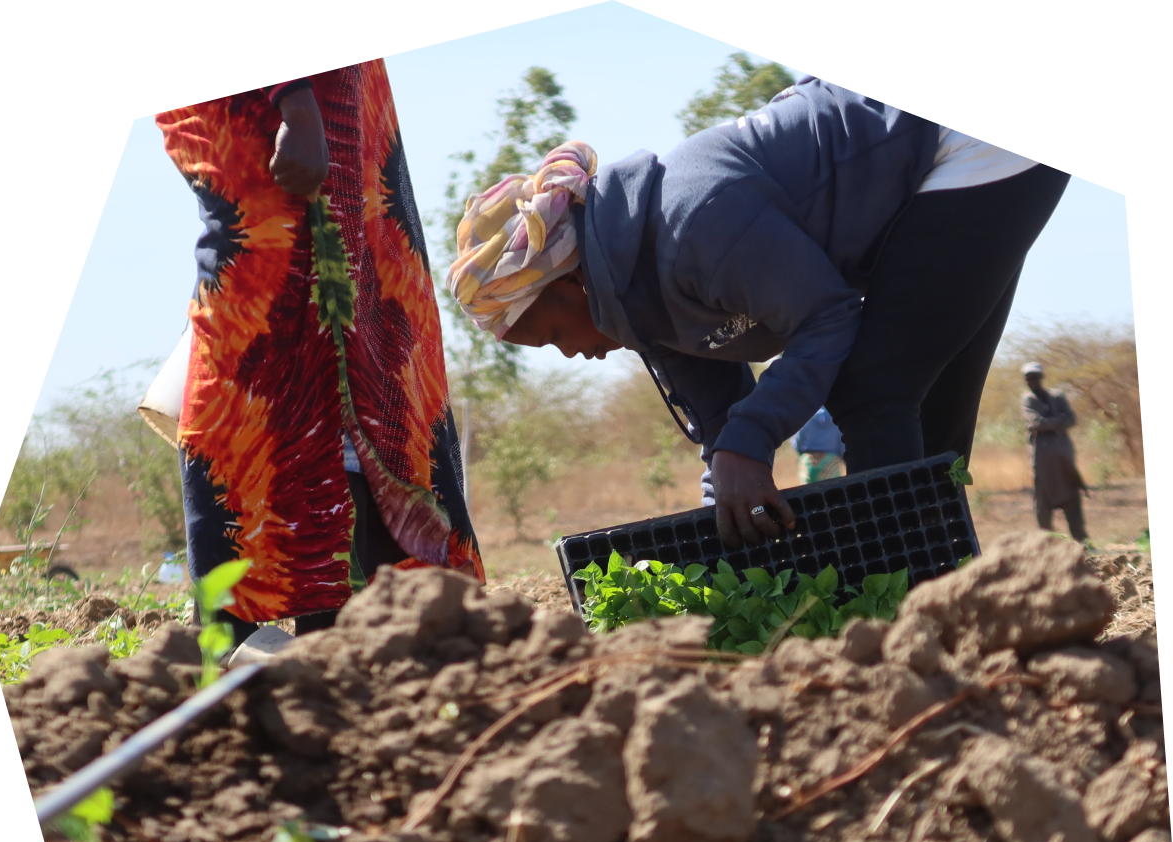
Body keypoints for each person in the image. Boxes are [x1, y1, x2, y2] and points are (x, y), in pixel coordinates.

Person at [446, 79, 1069, 550]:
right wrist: (727, 509)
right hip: (928, 184)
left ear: (569, 280)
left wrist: (750, 444)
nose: (571, 353)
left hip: (959, 151)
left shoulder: (688, 220)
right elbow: (722, 426)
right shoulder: (638, 308)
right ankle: (941, 582)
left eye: (553, 334)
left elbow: (827, 318)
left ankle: (913, 604)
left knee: (874, 391)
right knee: (919, 404)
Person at [157, 65, 482, 645]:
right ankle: (250, 636)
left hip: (334, 108)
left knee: (364, 334)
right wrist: (297, 101)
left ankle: (341, 626)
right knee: (275, 304)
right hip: (291, 112)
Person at [1021, 362, 1088, 542]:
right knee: (1042, 499)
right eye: (1028, 378)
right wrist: (1058, 421)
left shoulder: (1057, 395)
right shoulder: (1028, 400)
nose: (1032, 381)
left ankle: (1081, 540)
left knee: (1072, 494)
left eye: (1035, 377)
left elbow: (1071, 419)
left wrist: (1046, 424)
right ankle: (1047, 542)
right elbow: (1037, 422)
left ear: (1042, 377)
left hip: (1063, 456)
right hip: (1042, 459)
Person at [791, 406, 846, 484]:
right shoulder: (838, 418)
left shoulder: (807, 415)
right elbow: (842, 445)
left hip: (808, 461)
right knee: (832, 490)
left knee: (808, 491)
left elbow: (797, 442)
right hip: (831, 462)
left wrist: (801, 456)